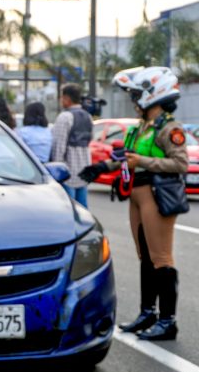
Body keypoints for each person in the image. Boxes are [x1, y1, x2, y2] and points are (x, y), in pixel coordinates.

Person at [79, 66, 187, 341]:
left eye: (137, 94)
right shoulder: (142, 127)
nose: (134, 99)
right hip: (137, 194)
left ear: (153, 95)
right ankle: (148, 312)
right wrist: (102, 166)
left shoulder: (169, 128)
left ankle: (168, 320)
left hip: (157, 194)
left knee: (161, 257)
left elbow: (180, 163)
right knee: (146, 257)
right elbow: (127, 157)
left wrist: (143, 162)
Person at [51, 83, 93, 207]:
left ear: (67, 99)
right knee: (83, 210)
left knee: (70, 209)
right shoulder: (88, 116)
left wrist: (56, 170)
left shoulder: (65, 117)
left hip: (68, 173)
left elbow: (59, 147)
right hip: (84, 170)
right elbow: (90, 140)